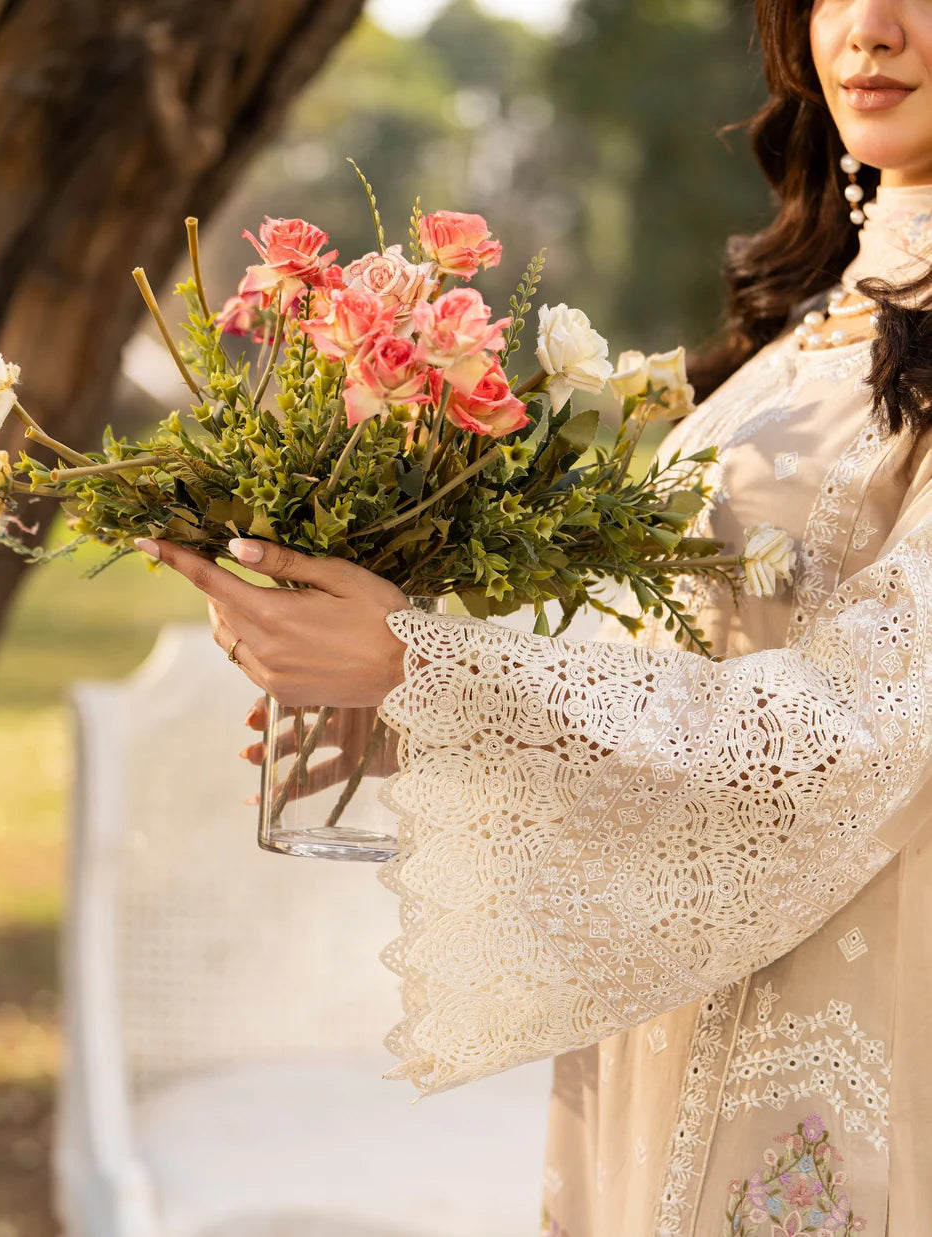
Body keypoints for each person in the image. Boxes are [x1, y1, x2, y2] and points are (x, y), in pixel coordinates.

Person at [133, 0, 932, 1231]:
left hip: (853, 1010)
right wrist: (421, 714)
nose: (868, 29)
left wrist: (439, 671)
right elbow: (693, 646)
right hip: (681, 998)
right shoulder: (815, 319)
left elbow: (876, 715)